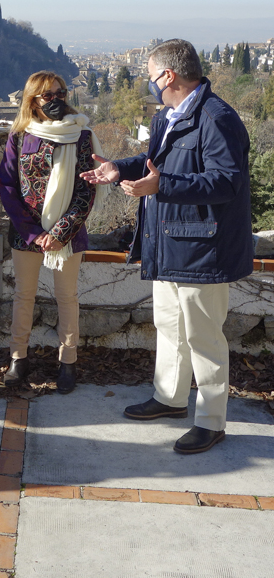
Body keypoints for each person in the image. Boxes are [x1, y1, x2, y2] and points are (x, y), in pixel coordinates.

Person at [82, 39, 252, 454]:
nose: (149, 83)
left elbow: (227, 181)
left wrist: (163, 186)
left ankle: (211, 421)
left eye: (151, 75)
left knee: (204, 336)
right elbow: (154, 160)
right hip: (170, 242)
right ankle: (170, 399)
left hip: (202, 248)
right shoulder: (169, 117)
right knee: (170, 326)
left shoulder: (217, 118)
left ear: (168, 76)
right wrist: (117, 168)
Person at [0, 71, 101, 394]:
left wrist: (59, 232)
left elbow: (86, 191)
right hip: (26, 233)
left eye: (60, 94)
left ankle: (68, 362)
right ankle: (18, 359)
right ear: (32, 100)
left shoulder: (81, 136)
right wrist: (33, 233)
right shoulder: (19, 136)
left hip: (67, 236)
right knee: (23, 296)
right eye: (47, 96)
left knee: (67, 297)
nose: (56, 100)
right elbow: (7, 186)